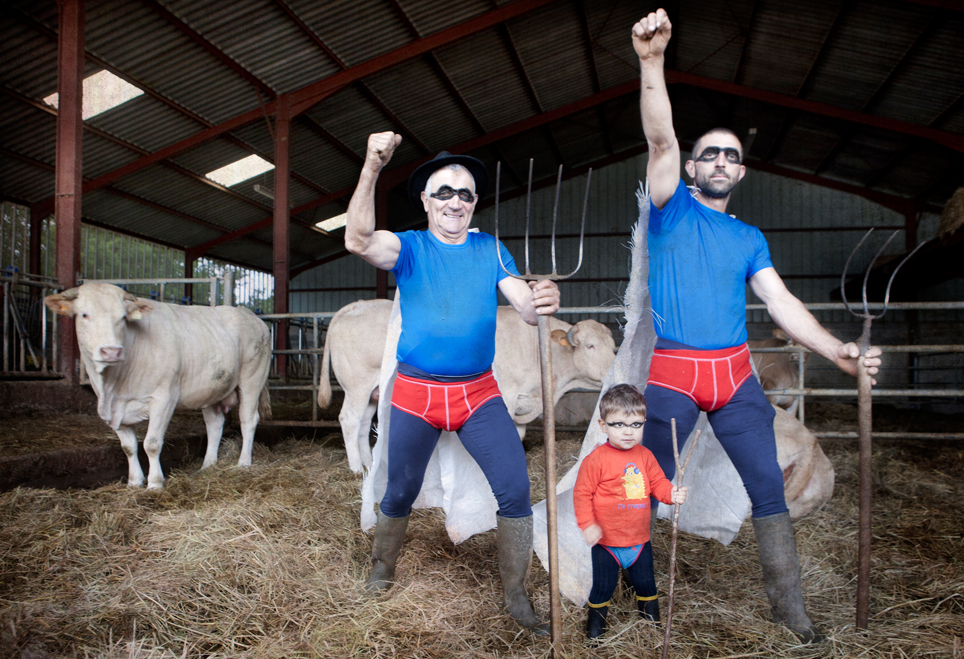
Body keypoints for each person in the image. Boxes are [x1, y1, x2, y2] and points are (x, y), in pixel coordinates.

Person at [632, 9, 883, 643]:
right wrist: (652, 62)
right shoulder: (670, 211)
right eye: (708, 153)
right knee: (643, 486)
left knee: (768, 487)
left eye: (730, 156)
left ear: (741, 173)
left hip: (735, 377)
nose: (719, 161)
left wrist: (837, 352)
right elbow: (661, 140)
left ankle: (791, 611)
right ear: (692, 168)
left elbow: (780, 303)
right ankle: (631, 598)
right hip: (676, 374)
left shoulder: (748, 236)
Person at [344, 131, 560, 634]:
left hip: (477, 394)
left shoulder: (490, 249)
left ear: (475, 202)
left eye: (464, 193)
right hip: (418, 395)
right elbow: (356, 240)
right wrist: (372, 167)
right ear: (425, 200)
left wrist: (542, 296)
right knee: (399, 490)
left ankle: (515, 596)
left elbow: (526, 308)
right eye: (443, 192)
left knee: (514, 489)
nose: (454, 201)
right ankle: (382, 569)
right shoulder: (410, 247)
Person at [573, 384, 687, 643]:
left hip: (639, 540)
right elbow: (581, 495)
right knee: (603, 588)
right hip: (607, 543)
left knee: (646, 584)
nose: (628, 432)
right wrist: (588, 524)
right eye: (619, 425)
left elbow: (658, 483)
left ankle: (652, 625)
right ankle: (595, 632)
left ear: (644, 422)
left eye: (636, 425)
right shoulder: (596, 460)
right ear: (603, 426)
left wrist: (672, 494)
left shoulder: (645, 456)